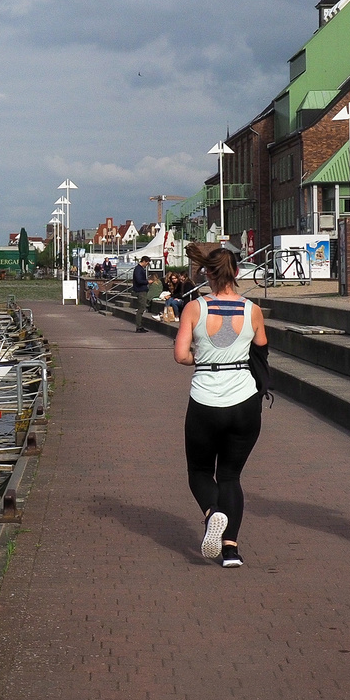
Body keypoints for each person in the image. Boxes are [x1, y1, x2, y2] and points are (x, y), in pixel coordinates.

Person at [174, 242, 267, 568]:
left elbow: (181, 355)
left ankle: (213, 513)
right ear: (237, 273)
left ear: (207, 274)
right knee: (231, 476)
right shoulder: (252, 309)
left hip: (205, 401)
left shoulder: (194, 308)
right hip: (244, 403)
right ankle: (231, 551)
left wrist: (204, 358)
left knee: (199, 472)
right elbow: (261, 351)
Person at [132, 256, 152, 332]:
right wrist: (147, 282)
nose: (147, 265)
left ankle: (140, 326)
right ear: (144, 261)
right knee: (141, 308)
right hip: (140, 291)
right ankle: (138, 326)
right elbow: (139, 280)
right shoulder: (138, 269)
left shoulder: (139, 269)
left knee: (142, 308)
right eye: (147, 263)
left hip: (141, 290)